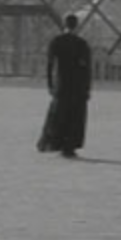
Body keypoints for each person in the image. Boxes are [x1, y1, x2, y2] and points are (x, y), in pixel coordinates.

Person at [37, 13, 92, 158]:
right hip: (77, 86)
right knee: (75, 117)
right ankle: (70, 146)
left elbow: (49, 65)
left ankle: (52, 142)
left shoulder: (56, 41)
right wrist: (87, 88)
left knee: (58, 116)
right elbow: (87, 69)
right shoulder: (82, 43)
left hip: (61, 85)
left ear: (64, 24)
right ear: (77, 25)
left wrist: (50, 84)